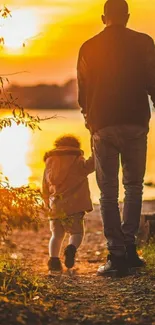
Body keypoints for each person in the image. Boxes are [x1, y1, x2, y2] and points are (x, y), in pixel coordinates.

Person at [77, 0, 155, 276]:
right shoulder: (144, 42)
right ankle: (131, 249)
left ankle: (117, 253)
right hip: (135, 121)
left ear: (103, 18)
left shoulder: (88, 46)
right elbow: (153, 81)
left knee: (108, 193)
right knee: (134, 187)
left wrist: (90, 119)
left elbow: (82, 91)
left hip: (103, 125)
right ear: (127, 17)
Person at [42, 134, 94, 272]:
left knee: (56, 235)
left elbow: (44, 187)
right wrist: (96, 149)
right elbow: (92, 165)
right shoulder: (77, 160)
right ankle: (71, 249)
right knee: (76, 233)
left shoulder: (49, 163)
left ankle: (53, 261)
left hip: (55, 206)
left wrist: (47, 204)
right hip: (74, 206)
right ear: (75, 147)